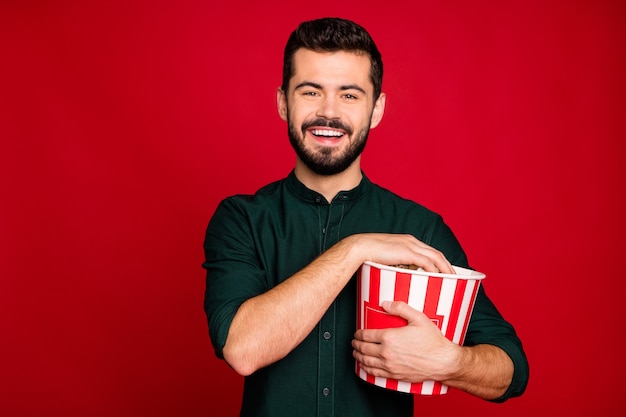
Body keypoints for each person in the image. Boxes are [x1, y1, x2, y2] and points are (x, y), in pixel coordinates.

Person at [202, 17, 528, 417]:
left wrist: (451, 363)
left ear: (376, 109)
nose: (328, 112)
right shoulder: (241, 219)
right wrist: (356, 248)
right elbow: (243, 349)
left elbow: (512, 369)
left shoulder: (419, 230)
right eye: (310, 91)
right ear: (283, 102)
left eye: (350, 95)